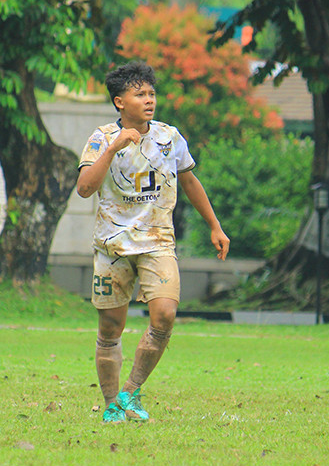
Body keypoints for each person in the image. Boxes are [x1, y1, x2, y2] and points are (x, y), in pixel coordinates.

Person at [77, 61, 229, 423]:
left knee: (165, 315)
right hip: (112, 247)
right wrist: (113, 149)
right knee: (110, 329)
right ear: (119, 102)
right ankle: (112, 403)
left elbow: (190, 181)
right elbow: (84, 189)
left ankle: (131, 391)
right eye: (139, 94)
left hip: (158, 242)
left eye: (151, 93)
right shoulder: (100, 138)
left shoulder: (169, 137)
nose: (149, 100)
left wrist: (215, 225)